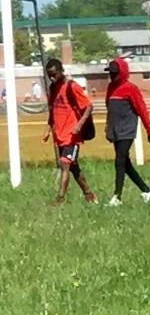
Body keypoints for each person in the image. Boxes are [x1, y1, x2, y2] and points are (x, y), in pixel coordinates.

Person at [104, 58, 150, 207]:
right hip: (115, 130)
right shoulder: (110, 88)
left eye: (115, 74)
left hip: (127, 130)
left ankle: (117, 196)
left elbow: (142, 110)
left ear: (122, 73)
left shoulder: (131, 89)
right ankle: (148, 192)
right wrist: (108, 128)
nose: (112, 76)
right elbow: (109, 110)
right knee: (125, 164)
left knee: (119, 161)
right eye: (110, 73)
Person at [42, 57, 98, 205]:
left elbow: (88, 106)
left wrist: (79, 124)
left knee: (64, 164)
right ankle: (89, 195)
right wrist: (48, 129)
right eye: (49, 76)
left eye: (54, 74)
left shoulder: (71, 86)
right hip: (59, 135)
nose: (52, 78)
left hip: (72, 135)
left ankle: (59, 199)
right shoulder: (53, 89)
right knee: (73, 167)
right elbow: (52, 111)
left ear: (61, 71)